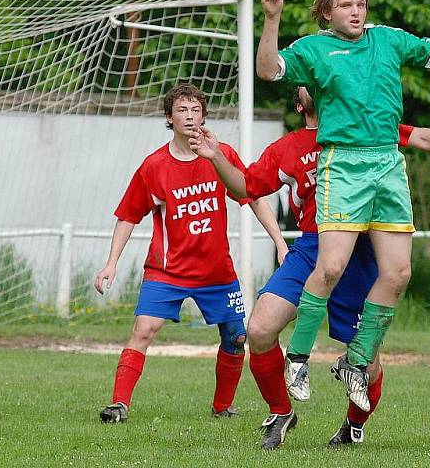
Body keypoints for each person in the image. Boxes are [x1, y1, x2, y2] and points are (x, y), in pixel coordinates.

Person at [189, 86, 430, 449]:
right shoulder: (288, 148)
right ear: (300, 105)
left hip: (360, 251)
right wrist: (216, 156)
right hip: (314, 245)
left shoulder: (365, 128)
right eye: (306, 78)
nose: (315, 76)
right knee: (261, 329)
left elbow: (422, 136)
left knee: (367, 360)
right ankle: (281, 412)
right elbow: (246, 186)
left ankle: (352, 426)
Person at [256, 0, 430, 411]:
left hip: (387, 166)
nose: (356, 11)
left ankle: (356, 360)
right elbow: (268, 70)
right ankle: (298, 357)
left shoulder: (390, 40)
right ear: (326, 13)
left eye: (361, 3)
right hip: (343, 164)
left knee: (398, 274)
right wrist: (272, 18)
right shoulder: (315, 49)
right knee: (332, 266)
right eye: (345, 6)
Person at [93, 84, 288, 423]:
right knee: (144, 329)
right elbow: (127, 215)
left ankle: (222, 406)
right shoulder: (154, 166)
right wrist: (111, 264)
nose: (189, 116)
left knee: (236, 336)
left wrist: (281, 242)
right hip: (167, 271)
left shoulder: (219, 153)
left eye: (195, 110)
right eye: (182, 110)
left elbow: (252, 195)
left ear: (204, 116)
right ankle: (118, 404)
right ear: (169, 117)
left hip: (216, 272)